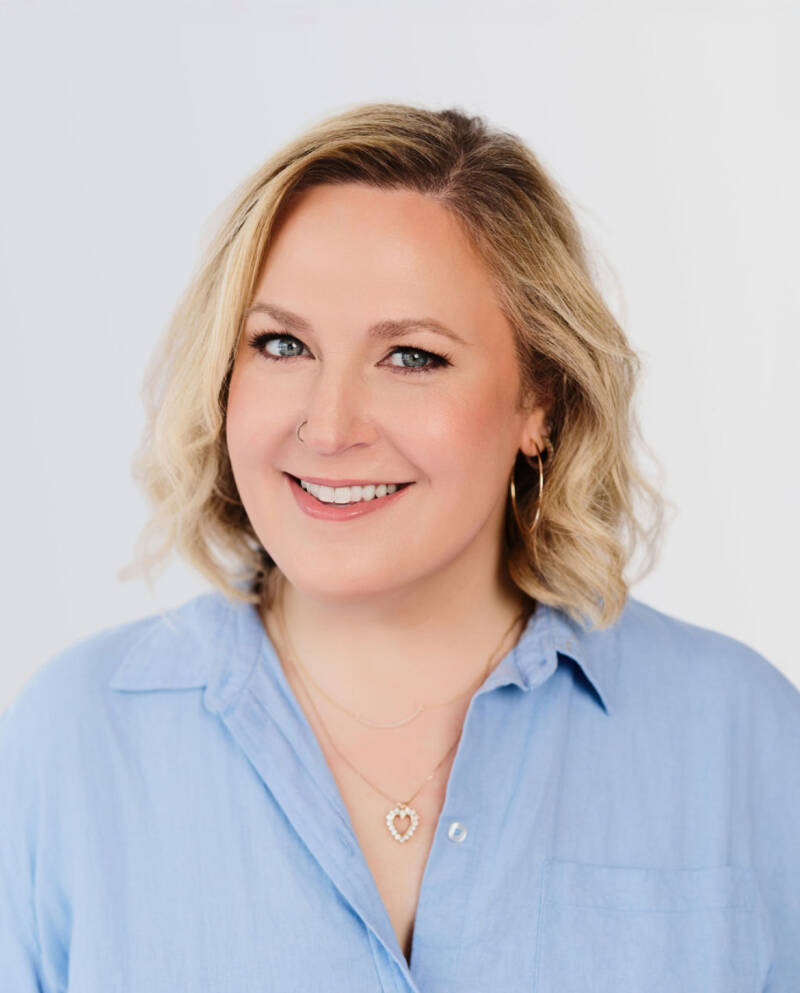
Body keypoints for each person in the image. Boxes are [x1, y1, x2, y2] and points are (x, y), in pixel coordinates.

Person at [1, 104, 797, 993]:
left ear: (541, 398)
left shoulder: (745, 739)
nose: (329, 425)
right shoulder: (70, 744)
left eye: (412, 356)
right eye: (282, 344)